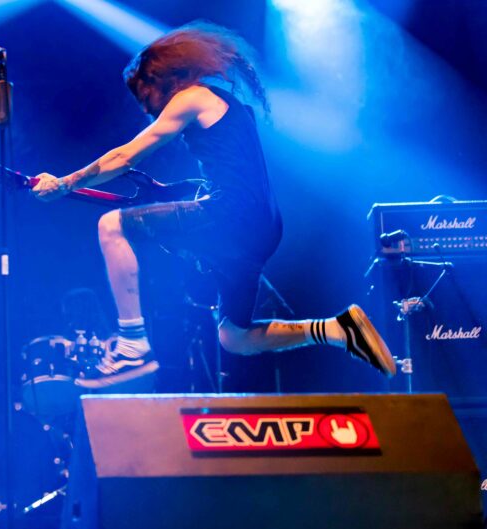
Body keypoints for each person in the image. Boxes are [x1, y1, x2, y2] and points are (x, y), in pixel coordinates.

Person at [32, 21, 396, 388]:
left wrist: (65, 183)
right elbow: (233, 177)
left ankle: (131, 346)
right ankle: (337, 329)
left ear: (157, 80)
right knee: (235, 337)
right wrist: (168, 192)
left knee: (112, 226)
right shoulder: (224, 103)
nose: (144, 106)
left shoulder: (192, 97)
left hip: (232, 217)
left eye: (142, 94)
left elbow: (124, 156)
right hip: (260, 226)